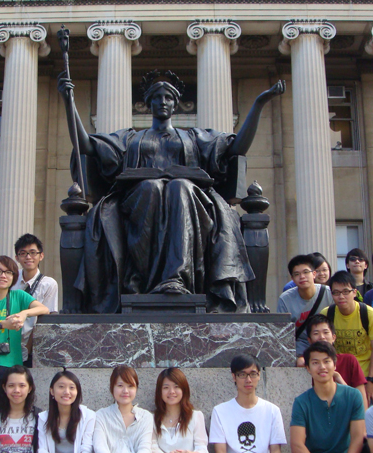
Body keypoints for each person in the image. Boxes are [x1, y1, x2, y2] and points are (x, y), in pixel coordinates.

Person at [57, 70, 285, 313]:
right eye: (157, 97)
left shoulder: (195, 137)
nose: (162, 102)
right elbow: (87, 145)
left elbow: (237, 146)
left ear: (175, 104)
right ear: (148, 104)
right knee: (151, 187)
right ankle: (138, 280)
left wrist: (259, 103)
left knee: (179, 186)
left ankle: (176, 278)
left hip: (190, 200)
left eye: (168, 98)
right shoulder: (130, 138)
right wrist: (69, 102)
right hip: (137, 199)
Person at [0, 256, 50, 408]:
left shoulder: (18, 296)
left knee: (4, 414)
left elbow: (44, 308)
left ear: (13, 277)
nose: (3, 275)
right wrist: (4, 324)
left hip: (11, 365)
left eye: (8, 272)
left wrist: (24, 314)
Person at [321, 271, 373, 404]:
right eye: (336, 293)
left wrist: (371, 380)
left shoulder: (369, 314)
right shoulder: (326, 314)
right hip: (338, 373)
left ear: (354, 292)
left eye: (346, 291)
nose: (341, 296)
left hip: (364, 375)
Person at [11, 234, 58, 367]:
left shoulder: (48, 284)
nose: (28, 257)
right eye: (23, 253)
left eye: (33, 253)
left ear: (41, 256)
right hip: (7, 341)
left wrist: (28, 348)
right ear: (17, 257)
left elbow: (45, 319)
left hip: (31, 347)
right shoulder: (11, 279)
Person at [277, 254, 333, 366]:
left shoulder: (329, 293)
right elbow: (283, 334)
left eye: (306, 272)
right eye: (297, 274)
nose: (302, 277)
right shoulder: (285, 299)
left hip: (328, 344)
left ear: (314, 274)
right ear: (292, 279)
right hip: (301, 348)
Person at [305, 314, 367, 409]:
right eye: (316, 333)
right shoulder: (309, 364)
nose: (322, 337)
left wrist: (339, 379)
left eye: (326, 332)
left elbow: (362, 404)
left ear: (334, 337)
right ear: (309, 340)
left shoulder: (349, 360)